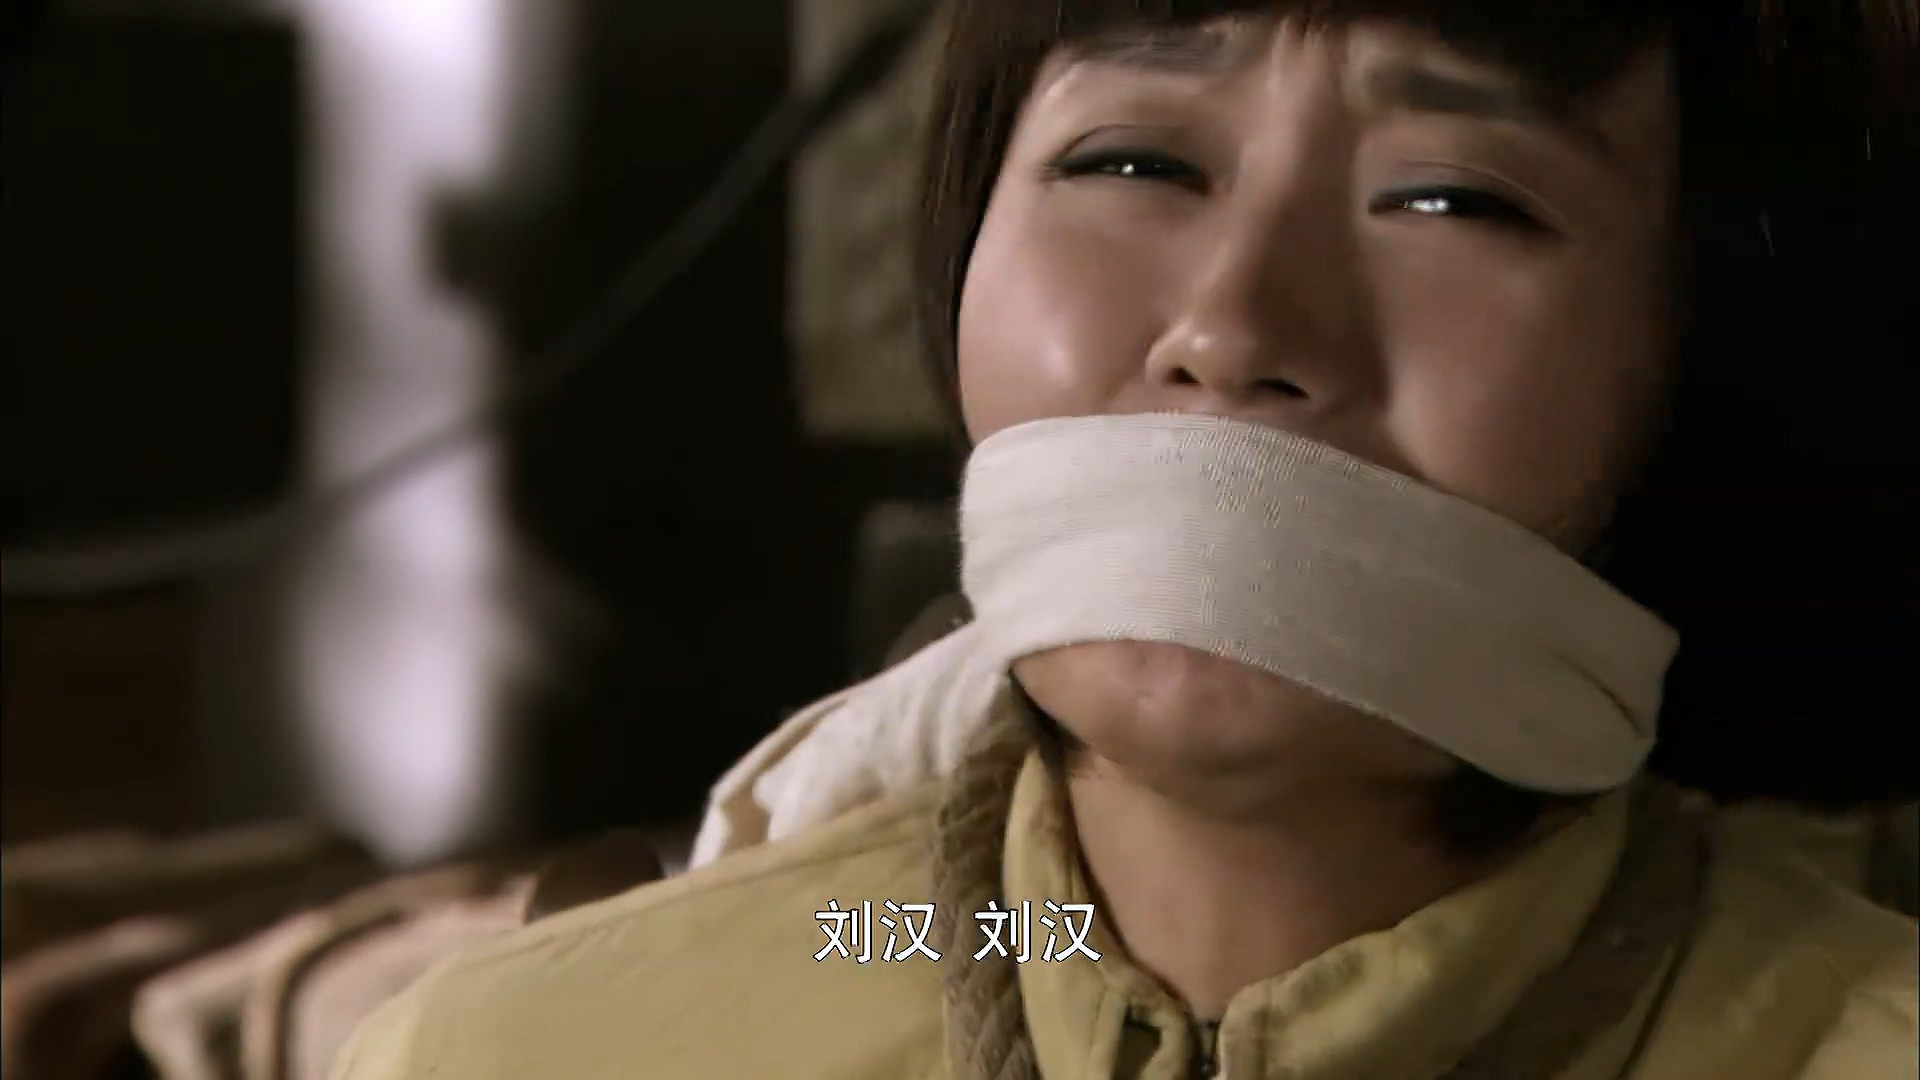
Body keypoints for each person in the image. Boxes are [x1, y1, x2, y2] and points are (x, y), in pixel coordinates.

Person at [330, 2, 1917, 1078]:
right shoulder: (523, 1056)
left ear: (1706, 348)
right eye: (1133, 163)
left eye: (1453, 200)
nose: (1230, 326)